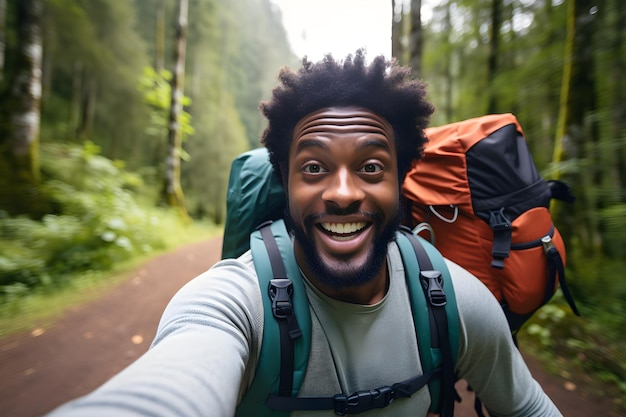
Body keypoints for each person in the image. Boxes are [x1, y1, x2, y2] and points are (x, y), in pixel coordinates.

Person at [46, 50, 562, 417]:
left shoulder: (453, 303)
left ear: (400, 182)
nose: (342, 192)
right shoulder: (232, 301)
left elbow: (528, 406)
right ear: (286, 182)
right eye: (313, 168)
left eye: (371, 168)